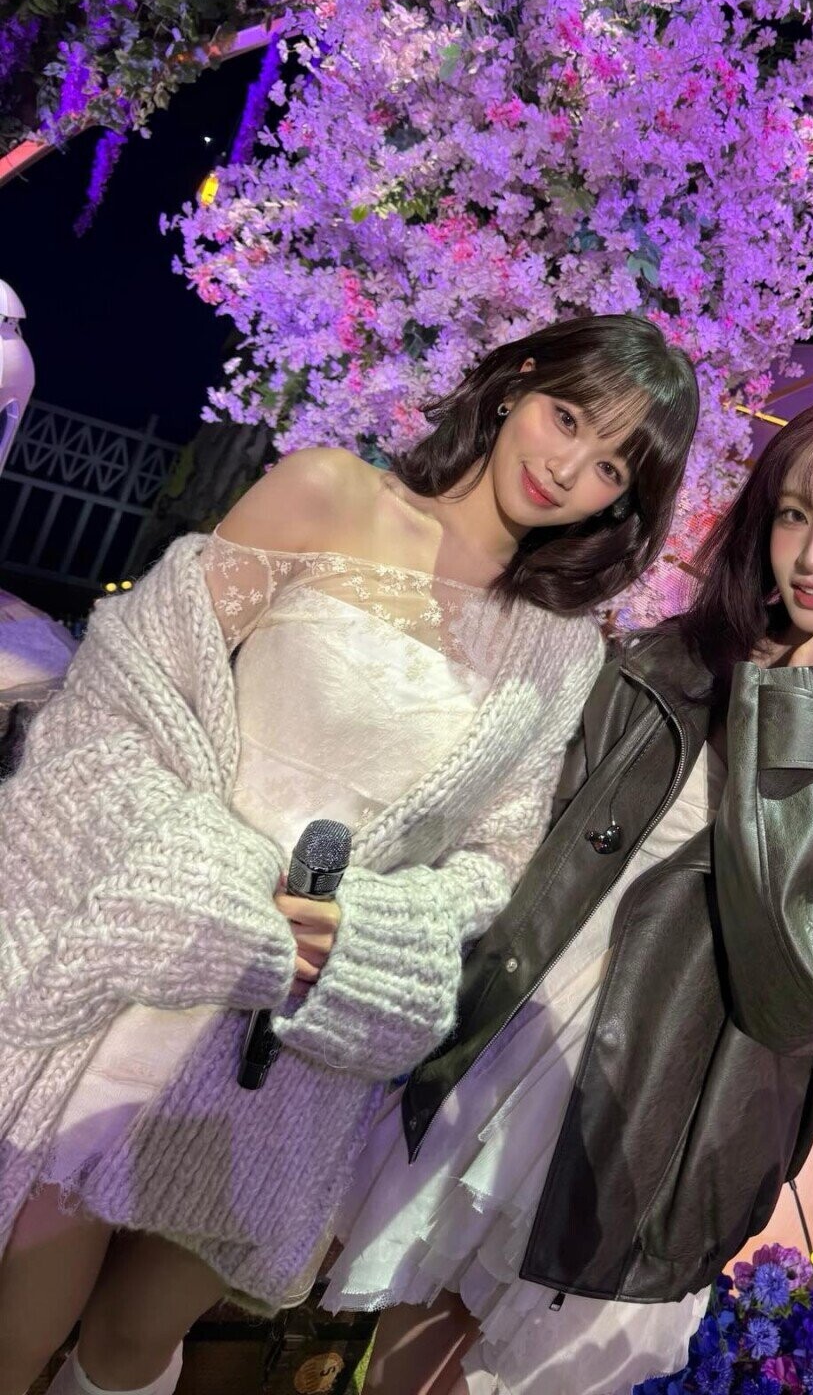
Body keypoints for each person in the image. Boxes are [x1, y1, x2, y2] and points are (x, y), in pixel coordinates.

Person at [0, 313, 699, 1395]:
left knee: (134, 1345)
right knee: (19, 1315)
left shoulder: (560, 650)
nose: (569, 469)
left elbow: (497, 857)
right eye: (567, 418)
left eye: (612, 466)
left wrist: (365, 931)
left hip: (301, 1032)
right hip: (153, 949)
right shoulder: (326, 491)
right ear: (517, 382)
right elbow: (133, 686)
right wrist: (214, 881)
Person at [330, 383, 813, 1395]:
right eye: (794, 513)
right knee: (394, 1368)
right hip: (512, 1046)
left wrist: (792, 721)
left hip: (654, 1137)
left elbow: (807, 990)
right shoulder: (670, 662)